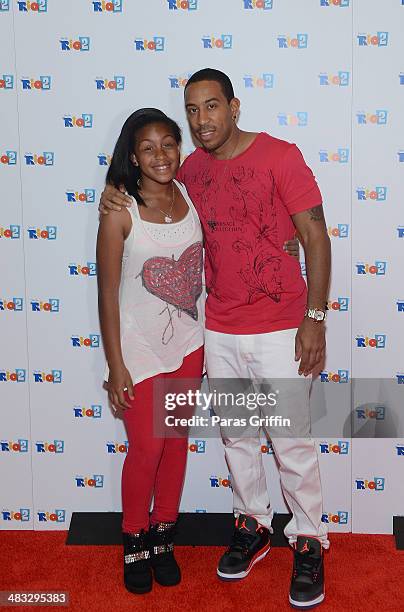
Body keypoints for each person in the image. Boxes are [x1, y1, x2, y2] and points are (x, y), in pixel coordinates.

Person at [99, 68, 331, 610]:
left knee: (291, 442)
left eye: (212, 107)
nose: (202, 121)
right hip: (219, 330)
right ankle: (252, 526)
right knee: (238, 439)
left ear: (234, 106)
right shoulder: (190, 173)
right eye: (193, 111)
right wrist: (114, 193)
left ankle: (309, 540)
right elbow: (146, 197)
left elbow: (315, 235)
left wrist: (315, 316)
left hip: (281, 328)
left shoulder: (280, 155)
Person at [96, 108, 205, 595]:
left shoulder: (190, 193)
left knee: (176, 445)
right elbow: (107, 293)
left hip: (189, 347)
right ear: (133, 156)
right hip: (139, 352)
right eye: (148, 147)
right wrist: (115, 362)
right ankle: (134, 538)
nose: (160, 155)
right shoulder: (120, 211)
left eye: (169, 143)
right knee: (147, 448)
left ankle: (164, 535)